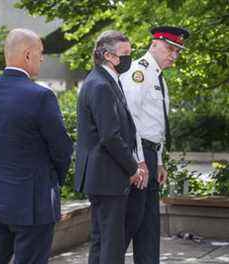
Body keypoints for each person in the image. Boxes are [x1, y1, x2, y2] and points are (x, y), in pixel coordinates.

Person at [0, 28, 73, 264]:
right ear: (27, 55)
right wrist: (52, 181)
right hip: (32, 201)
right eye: (40, 52)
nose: (42, 58)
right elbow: (62, 149)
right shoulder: (41, 96)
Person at [120, 26, 190, 264]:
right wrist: (139, 162)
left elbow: (156, 125)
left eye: (178, 51)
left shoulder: (159, 77)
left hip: (150, 155)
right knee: (130, 222)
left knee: (149, 224)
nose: (174, 55)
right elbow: (132, 122)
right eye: (170, 48)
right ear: (154, 45)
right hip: (138, 157)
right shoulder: (138, 72)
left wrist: (158, 162)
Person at [75, 30, 143, 264]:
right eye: (125, 54)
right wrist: (133, 168)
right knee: (111, 243)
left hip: (104, 175)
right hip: (107, 175)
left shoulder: (103, 81)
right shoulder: (101, 85)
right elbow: (110, 136)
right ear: (107, 55)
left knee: (102, 240)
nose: (129, 58)